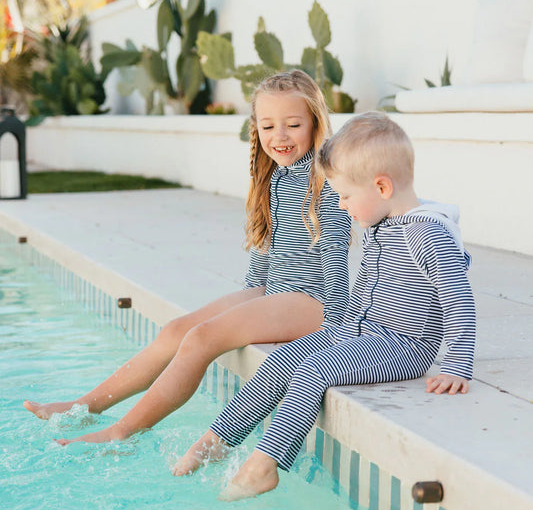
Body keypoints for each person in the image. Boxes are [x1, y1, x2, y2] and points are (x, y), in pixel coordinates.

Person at [23, 70, 352, 445]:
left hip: (315, 300)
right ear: (255, 129)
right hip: (274, 289)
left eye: (293, 124)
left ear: (315, 123)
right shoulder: (273, 176)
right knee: (175, 331)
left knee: (201, 338)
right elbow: (265, 253)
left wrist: (337, 326)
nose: (279, 136)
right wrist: (244, 301)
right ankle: (85, 407)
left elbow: (335, 254)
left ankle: (121, 432)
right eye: (268, 126)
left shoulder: (324, 180)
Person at [173, 111, 476, 500]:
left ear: (382, 187)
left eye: (346, 196)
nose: (342, 206)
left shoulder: (429, 235)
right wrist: (338, 328)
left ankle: (265, 464)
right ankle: (217, 439)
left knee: (315, 369)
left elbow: (459, 300)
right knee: (282, 359)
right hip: (357, 332)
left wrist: (457, 364)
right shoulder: (381, 223)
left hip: (404, 346)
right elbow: (367, 289)